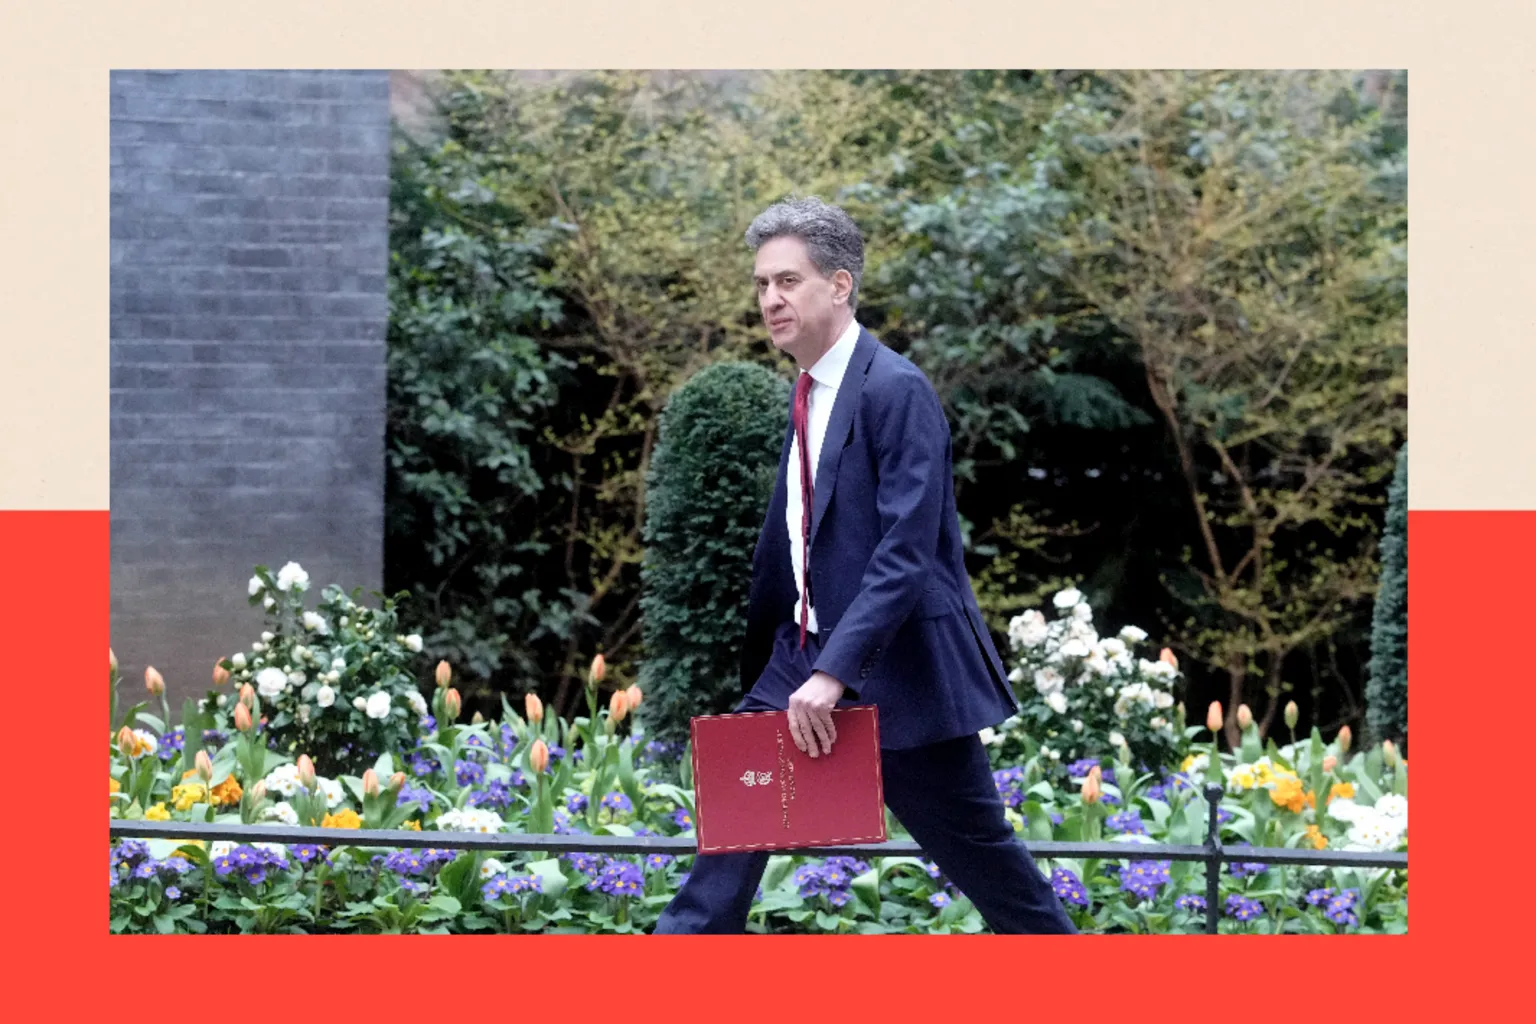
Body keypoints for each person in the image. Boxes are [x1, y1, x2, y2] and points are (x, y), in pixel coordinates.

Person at [652, 196, 1078, 935]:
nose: (770, 299)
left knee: (997, 876)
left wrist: (836, 670)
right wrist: (801, 657)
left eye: (788, 281)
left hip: (900, 673)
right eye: (761, 285)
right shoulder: (809, 389)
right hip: (804, 660)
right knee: (725, 851)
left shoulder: (896, 390)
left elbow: (907, 551)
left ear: (841, 285)